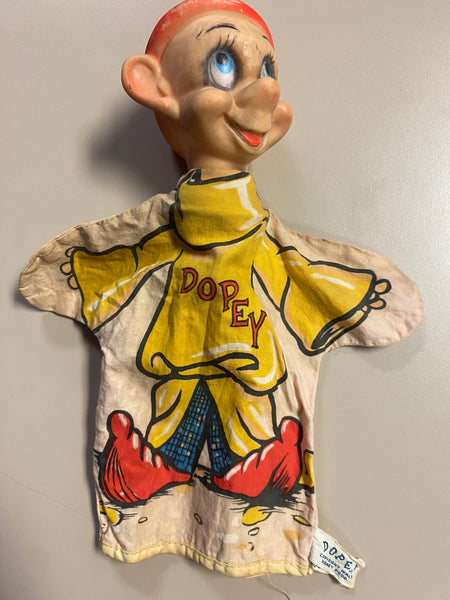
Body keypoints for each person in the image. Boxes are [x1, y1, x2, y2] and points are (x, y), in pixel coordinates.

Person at [20, 0, 422, 580]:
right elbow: (106, 264)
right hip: (175, 376)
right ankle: (154, 465)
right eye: (226, 65)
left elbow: (304, 278)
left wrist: (355, 294)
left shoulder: (272, 248)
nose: (265, 92)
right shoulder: (151, 237)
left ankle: (255, 465)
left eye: (268, 70)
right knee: (172, 419)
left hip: (248, 384)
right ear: (154, 86)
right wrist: (81, 271)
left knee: (245, 424)